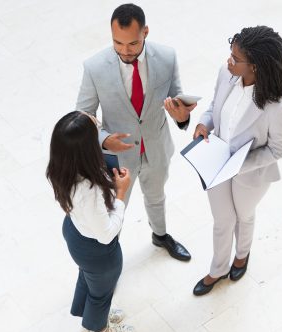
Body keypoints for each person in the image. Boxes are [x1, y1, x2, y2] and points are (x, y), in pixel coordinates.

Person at [76, 3, 195, 261]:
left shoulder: (166, 57)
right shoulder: (94, 67)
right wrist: (104, 139)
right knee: (114, 208)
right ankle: (109, 258)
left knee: (157, 196)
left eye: (131, 44)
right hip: (118, 158)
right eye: (117, 43)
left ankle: (160, 235)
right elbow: (83, 116)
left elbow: (176, 99)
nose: (124, 51)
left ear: (145, 32)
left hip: (156, 148)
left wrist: (182, 117)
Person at [189, 26, 282, 296]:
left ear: (255, 67)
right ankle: (217, 269)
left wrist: (239, 164)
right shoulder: (226, 74)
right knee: (223, 219)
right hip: (215, 164)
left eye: (235, 59)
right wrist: (203, 124)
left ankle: (242, 255)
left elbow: (278, 149)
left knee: (243, 216)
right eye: (230, 54)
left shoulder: (278, 107)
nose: (228, 61)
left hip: (250, 174)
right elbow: (214, 107)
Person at [46, 111, 136, 332]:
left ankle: (91, 318)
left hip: (75, 232)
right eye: (96, 132)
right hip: (98, 249)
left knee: (88, 279)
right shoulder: (89, 189)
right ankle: (100, 329)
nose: (99, 130)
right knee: (101, 294)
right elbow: (106, 234)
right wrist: (121, 194)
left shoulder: (61, 167)